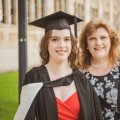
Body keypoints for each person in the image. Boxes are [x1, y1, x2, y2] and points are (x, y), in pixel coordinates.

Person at [14, 11, 103, 120]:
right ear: (46, 43)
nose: (62, 45)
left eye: (66, 39)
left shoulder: (81, 80)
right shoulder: (34, 77)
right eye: (55, 39)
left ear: (72, 43)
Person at [79, 18, 120, 120]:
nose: (98, 43)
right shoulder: (79, 74)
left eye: (103, 37)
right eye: (92, 38)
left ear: (111, 41)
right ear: (86, 45)